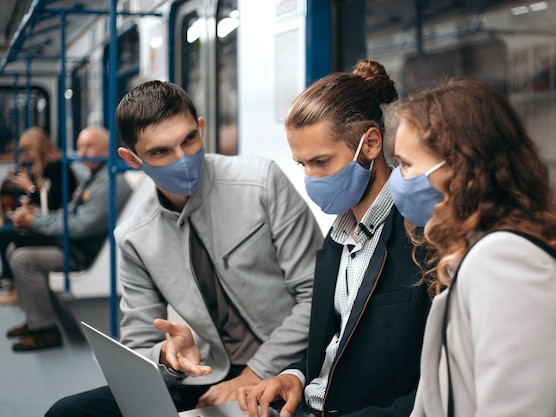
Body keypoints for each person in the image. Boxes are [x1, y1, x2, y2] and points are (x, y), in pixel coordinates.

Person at [45, 80, 323, 417]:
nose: (182, 159)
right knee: (68, 412)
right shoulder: (134, 236)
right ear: (132, 159)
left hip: (291, 364)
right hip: (209, 372)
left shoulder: (261, 183)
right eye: (160, 152)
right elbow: (138, 345)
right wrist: (168, 357)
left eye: (189, 140)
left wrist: (253, 373)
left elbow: (315, 296)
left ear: (201, 128)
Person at [386, 78, 556, 416]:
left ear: (460, 168)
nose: (398, 179)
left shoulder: (509, 262)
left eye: (406, 165)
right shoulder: (479, 253)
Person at [238, 60, 431, 417]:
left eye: (321, 162)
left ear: (370, 144)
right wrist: (294, 376)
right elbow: (337, 343)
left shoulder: (419, 240)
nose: (311, 179)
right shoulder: (335, 240)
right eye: (302, 165)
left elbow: (432, 391)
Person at [5, 126, 132, 352]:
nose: (82, 152)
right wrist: (37, 218)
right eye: (80, 146)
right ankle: (35, 318)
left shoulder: (111, 182)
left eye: (89, 146)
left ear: (105, 148)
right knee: (13, 248)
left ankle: (45, 330)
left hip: (83, 251)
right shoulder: (92, 177)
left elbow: (81, 226)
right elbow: (69, 213)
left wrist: (35, 222)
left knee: (23, 258)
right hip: (74, 244)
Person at [0, 126, 79, 305]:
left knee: (9, 235)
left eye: (28, 150)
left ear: (38, 147)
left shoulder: (58, 168)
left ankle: (15, 289)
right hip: (47, 220)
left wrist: (29, 188)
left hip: (56, 226)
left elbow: (52, 204)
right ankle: (16, 289)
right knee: (11, 232)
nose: (25, 156)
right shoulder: (41, 169)